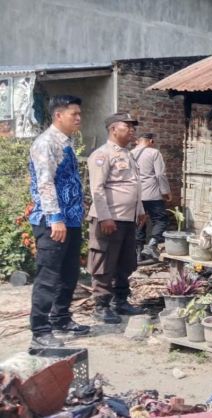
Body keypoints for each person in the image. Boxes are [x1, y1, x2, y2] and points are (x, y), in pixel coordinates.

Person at [27, 95, 89, 348]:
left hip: (70, 220)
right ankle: (40, 330)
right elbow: (45, 182)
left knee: (69, 272)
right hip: (53, 221)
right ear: (58, 115)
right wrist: (55, 218)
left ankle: (61, 317)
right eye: (74, 114)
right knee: (49, 275)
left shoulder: (66, 142)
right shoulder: (46, 143)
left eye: (79, 114)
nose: (78, 118)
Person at [87, 112, 147, 324]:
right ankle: (101, 306)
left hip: (127, 218)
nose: (132, 131)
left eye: (133, 127)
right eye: (127, 127)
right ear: (113, 129)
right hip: (109, 219)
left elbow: (134, 185)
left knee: (125, 262)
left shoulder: (128, 154)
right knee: (104, 261)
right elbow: (97, 189)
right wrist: (105, 217)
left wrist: (139, 209)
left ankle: (120, 301)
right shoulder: (102, 155)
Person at [131, 133, 171, 261]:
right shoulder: (154, 153)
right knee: (161, 219)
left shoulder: (129, 154)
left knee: (139, 222)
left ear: (137, 141)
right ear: (151, 141)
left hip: (135, 195)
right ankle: (152, 245)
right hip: (152, 195)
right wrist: (166, 192)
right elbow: (160, 174)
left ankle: (137, 253)